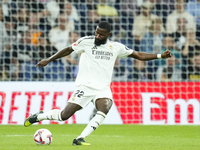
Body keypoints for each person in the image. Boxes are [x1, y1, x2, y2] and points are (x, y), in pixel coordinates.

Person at [24, 21, 171, 145]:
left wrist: (159, 56)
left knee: (105, 107)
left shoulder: (116, 47)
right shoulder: (85, 42)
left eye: (101, 34)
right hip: (85, 86)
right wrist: (49, 60)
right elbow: (68, 50)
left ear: (108, 35)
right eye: (96, 32)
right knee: (64, 115)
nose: (97, 36)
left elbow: (139, 55)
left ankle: (80, 138)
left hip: (103, 88)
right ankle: (39, 116)